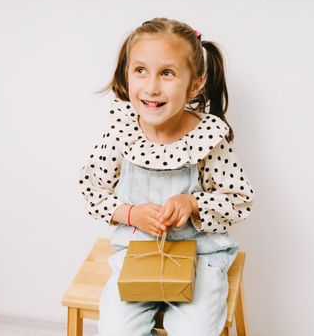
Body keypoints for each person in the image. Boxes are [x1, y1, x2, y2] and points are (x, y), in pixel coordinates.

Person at [78, 17, 254, 336]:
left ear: (195, 84)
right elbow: (93, 190)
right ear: (127, 74)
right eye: (140, 70)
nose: (152, 87)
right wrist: (131, 214)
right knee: (116, 330)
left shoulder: (206, 138)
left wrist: (193, 203)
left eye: (168, 73)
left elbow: (239, 202)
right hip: (137, 250)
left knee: (196, 331)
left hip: (201, 255)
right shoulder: (122, 133)